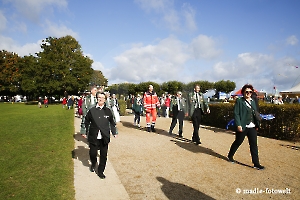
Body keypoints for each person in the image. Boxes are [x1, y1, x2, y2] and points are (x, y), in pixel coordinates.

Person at [227, 84, 265, 170]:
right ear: (243, 92)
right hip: (243, 125)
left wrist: (257, 124)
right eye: (246, 92)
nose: (248, 93)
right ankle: (230, 155)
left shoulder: (253, 101)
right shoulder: (240, 101)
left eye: (250, 92)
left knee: (254, 145)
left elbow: (255, 113)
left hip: (252, 126)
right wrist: (239, 125)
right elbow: (236, 113)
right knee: (238, 142)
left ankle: (256, 163)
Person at [82, 92, 118, 179]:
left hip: (104, 136)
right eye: (99, 97)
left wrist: (114, 132)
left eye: (102, 98)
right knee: (93, 153)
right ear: (96, 99)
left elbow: (112, 123)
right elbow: (86, 121)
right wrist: (84, 131)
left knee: (103, 155)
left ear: (105, 100)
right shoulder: (92, 110)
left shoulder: (108, 111)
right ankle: (93, 163)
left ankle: (101, 171)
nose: (100, 99)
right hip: (93, 136)